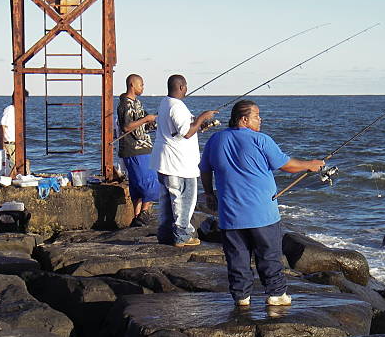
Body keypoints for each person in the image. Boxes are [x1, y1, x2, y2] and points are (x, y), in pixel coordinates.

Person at [199, 100, 324, 306]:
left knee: (237, 258)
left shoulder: (215, 139)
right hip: (261, 213)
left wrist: (208, 193)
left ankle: (241, 297)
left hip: (230, 215)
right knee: (269, 255)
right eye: (257, 115)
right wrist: (310, 165)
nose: (260, 119)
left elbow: (205, 168)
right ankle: (276, 294)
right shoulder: (261, 140)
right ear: (244, 119)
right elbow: (286, 165)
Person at [150, 74, 218, 247]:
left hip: (165, 161)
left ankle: (165, 234)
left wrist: (199, 125)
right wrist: (203, 116)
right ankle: (182, 235)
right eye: (186, 86)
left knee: (167, 200)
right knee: (184, 199)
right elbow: (186, 132)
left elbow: (180, 130)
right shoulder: (177, 107)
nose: (186, 89)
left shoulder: (165, 103)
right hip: (178, 164)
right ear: (181, 87)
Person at [117, 74, 160, 227]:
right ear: (132, 85)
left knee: (136, 184)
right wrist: (146, 119)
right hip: (136, 149)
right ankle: (144, 213)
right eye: (141, 84)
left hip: (140, 147)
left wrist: (152, 121)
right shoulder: (125, 104)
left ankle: (137, 217)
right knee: (149, 182)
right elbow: (127, 127)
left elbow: (142, 125)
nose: (143, 87)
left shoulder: (136, 103)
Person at [0, 89, 29, 176]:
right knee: (12, 168)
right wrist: (2, 145)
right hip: (10, 144)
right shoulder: (9, 110)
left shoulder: (17, 111)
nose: (26, 101)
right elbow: (1, 126)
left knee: (20, 165)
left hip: (16, 144)